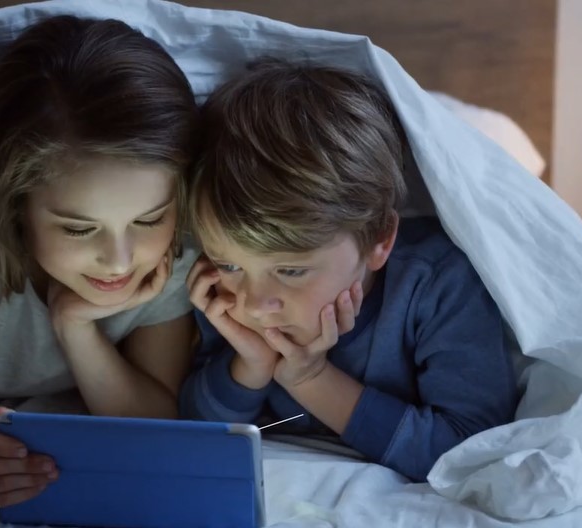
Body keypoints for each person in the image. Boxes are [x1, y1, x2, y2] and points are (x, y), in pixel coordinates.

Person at [0, 16, 200, 509]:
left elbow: (156, 424)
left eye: (148, 218)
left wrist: (75, 327)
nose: (119, 261)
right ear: (17, 204)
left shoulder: (168, 253)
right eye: (77, 228)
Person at [179, 58, 519, 481]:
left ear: (380, 240)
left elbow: (471, 452)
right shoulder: (222, 294)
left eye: (291, 270)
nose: (255, 304)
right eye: (230, 263)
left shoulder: (437, 284)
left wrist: (312, 378)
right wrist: (250, 364)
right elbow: (193, 432)